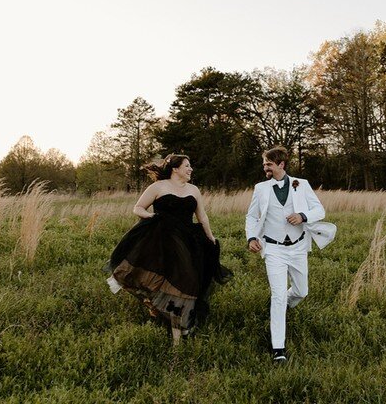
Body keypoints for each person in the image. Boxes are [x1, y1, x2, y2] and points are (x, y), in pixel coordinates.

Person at [106, 154, 231, 345]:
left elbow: (202, 217)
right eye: (187, 166)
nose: (191, 169)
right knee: (158, 280)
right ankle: (170, 325)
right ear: (175, 169)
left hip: (188, 241)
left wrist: (210, 237)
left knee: (185, 282)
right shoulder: (158, 187)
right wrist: (152, 219)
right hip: (162, 240)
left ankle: (180, 331)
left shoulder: (194, 190)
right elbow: (138, 208)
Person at [245, 146, 336, 363]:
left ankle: (286, 303)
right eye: (264, 163)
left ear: (281, 165)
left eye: (268, 163)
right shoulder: (260, 188)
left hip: (297, 248)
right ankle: (279, 349)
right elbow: (251, 216)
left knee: (301, 292)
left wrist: (303, 216)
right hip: (273, 248)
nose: (265, 167)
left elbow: (320, 210)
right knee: (277, 296)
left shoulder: (301, 184)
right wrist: (251, 238)